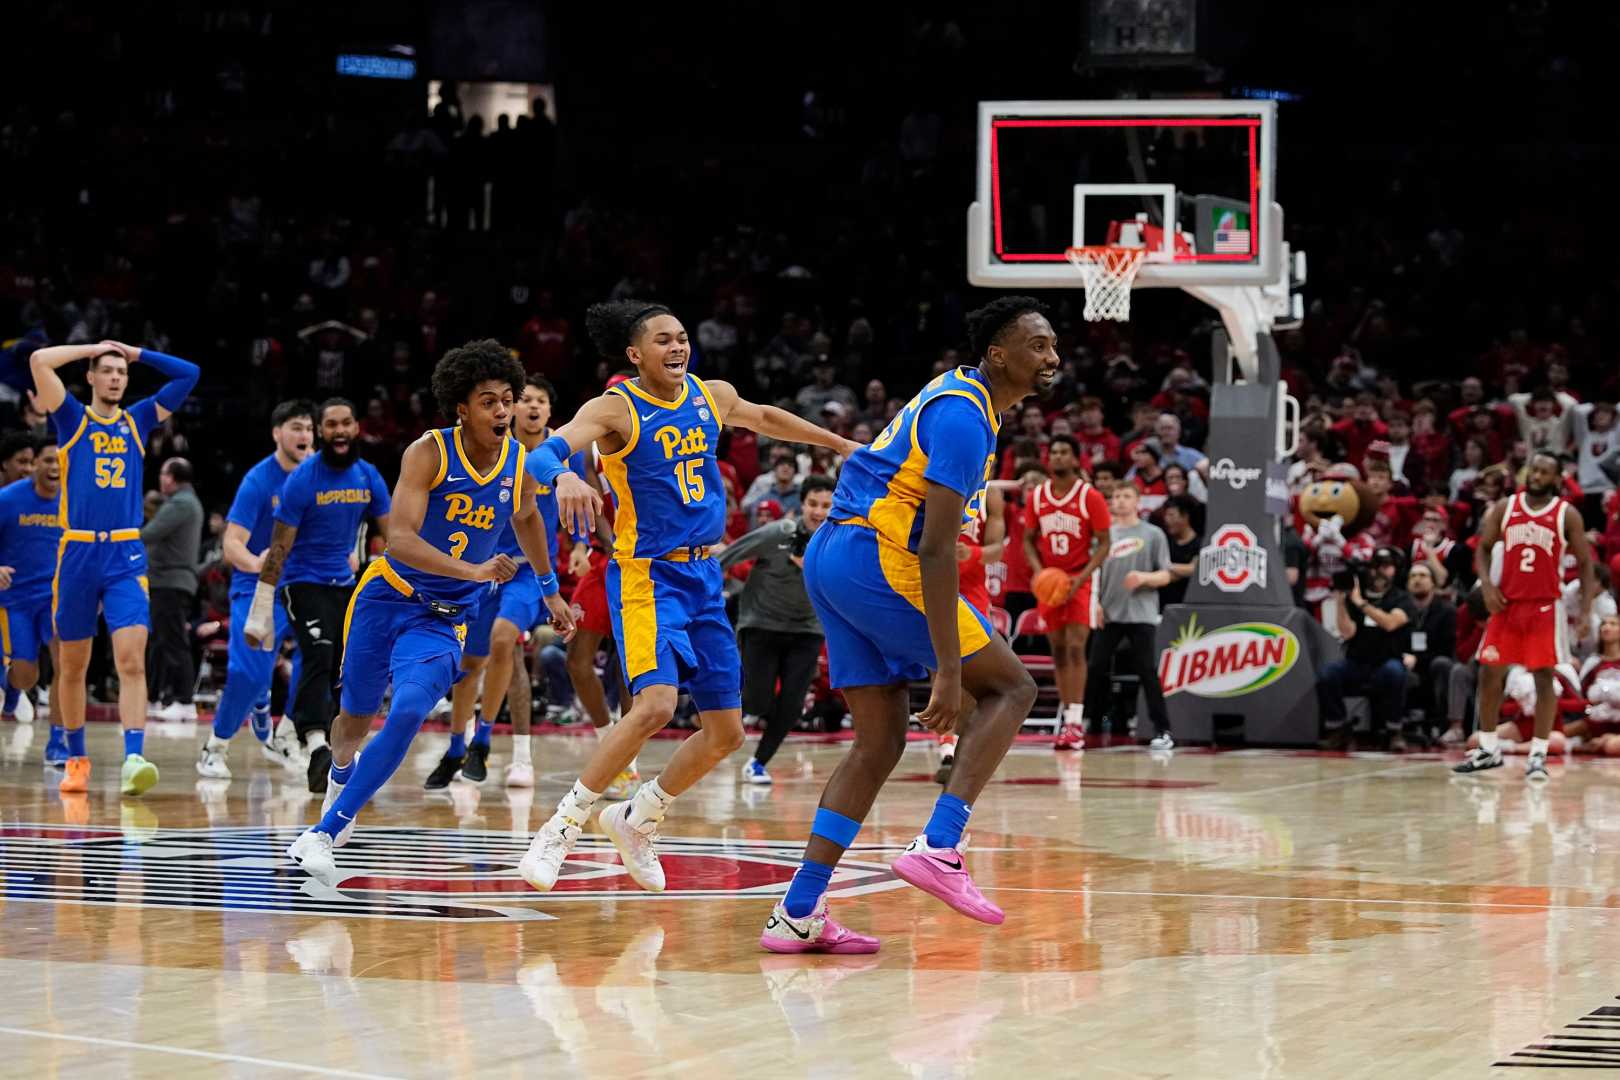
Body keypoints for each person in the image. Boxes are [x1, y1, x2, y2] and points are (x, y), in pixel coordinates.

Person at [518, 300, 858, 895]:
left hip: (704, 575)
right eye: (662, 341)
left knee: (726, 732)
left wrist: (839, 444)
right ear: (634, 354)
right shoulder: (614, 408)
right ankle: (561, 827)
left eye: (682, 338)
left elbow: (767, 417)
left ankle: (638, 817)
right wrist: (566, 474)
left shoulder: (711, 393)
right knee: (653, 705)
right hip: (648, 576)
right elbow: (547, 450)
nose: (677, 348)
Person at [758, 297, 1049, 954]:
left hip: (835, 556)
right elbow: (936, 551)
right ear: (998, 353)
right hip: (874, 559)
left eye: (1053, 345)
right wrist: (947, 673)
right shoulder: (965, 417)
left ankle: (798, 910)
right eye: (1037, 344)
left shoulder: (959, 400)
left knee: (880, 741)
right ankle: (941, 846)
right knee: (1012, 688)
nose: (1052, 356)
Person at [284, 340, 575, 882]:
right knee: (355, 716)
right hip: (386, 595)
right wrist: (474, 570)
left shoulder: (520, 461)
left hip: (443, 617)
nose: (503, 411)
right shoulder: (429, 452)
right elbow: (398, 540)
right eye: (488, 401)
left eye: (507, 399)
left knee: (411, 710)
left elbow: (528, 518)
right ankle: (342, 775)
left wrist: (551, 589)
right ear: (461, 409)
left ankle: (326, 832)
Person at [30, 340, 199, 796]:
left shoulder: (138, 419)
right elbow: (39, 361)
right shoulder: (70, 417)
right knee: (71, 665)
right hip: (78, 553)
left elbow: (189, 374)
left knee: (131, 659)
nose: (116, 378)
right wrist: (95, 346)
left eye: (121, 372)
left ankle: (134, 759)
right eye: (106, 370)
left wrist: (135, 352)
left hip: (124, 554)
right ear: (90, 377)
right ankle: (76, 758)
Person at [243, 398, 391, 792]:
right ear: (321, 432)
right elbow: (278, 548)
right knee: (319, 651)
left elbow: (393, 535)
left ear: (356, 428)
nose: (339, 431)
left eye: (346, 423)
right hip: (300, 582)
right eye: (331, 425)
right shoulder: (302, 480)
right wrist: (260, 608)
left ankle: (305, 731)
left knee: (343, 664)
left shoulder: (368, 476)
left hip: (346, 584)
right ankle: (313, 744)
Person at [425, 373, 564, 789]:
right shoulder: (498, 453)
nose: (532, 407)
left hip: (526, 572)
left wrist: (579, 546)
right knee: (470, 665)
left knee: (505, 639)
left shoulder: (556, 454)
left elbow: (571, 501)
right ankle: (455, 746)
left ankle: (484, 739)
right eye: (526, 400)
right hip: (483, 569)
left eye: (541, 400)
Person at [1454, 452, 1598, 781]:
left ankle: (1538, 754)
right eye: (1534, 469)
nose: (1536, 476)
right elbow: (1483, 547)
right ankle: (1488, 749)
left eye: (1544, 472)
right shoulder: (1506, 508)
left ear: (1557, 478)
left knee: (1543, 677)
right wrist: (1488, 586)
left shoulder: (1566, 514)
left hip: (1545, 606)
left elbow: (1587, 564)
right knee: (1490, 672)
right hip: (1507, 605)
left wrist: (1586, 609)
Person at [195, 399, 315, 780]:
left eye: (309, 429)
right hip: (257, 587)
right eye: (296, 427)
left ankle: (287, 734)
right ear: (277, 433)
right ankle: (215, 746)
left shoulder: (321, 475)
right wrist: (256, 563)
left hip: (305, 584)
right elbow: (232, 543)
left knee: (322, 662)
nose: (305, 435)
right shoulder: (258, 481)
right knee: (248, 674)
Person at [720, 475, 835, 785]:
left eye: (826, 505)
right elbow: (727, 556)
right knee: (757, 702)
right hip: (762, 623)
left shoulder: (839, 539)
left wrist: (812, 565)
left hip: (807, 629)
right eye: (813, 504)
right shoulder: (780, 531)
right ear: (802, 504)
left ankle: (758, 762)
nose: (819, 512)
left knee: (794, 703)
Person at [1021, 434, 1110, 750]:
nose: (1057, 457)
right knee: (1058, 651)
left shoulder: (1090, 497)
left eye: (1063, 452)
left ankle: (1075, 722)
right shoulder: (1037, 497)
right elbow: (1028, 540)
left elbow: (1105, 543)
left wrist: (1080, 578)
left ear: (1075, 459)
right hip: (1051, 582)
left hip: (1081, 579)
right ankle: (1066, 723)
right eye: (1053, 452)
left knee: (1075, 647)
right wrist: (1039, 571)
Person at [1083, 484, 1176, 752]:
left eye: (1126, 496)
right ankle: (1091, 722)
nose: (1120, 501)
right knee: (1096, 666)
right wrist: (1095, 603)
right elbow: (1092, 573)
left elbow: (1166, 574)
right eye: (1116, 496)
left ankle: (1163, 729)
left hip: (1141, 614)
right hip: (1108, 613)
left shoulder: (1153, 534)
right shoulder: (1103, 535)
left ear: (1137, 501)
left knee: (1147, 670)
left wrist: (1144, 578)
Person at [1319, 547, 1419, 751]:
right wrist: (1341, 601)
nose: (1380, 571)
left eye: (1387, 567)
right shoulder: (1356, 596)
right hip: (1357, 661)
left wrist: (1361, 604)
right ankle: (1337, 727)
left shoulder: (1401, 598)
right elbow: (1347, 632)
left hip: (1387, 661)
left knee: (1394, 672)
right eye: (1376, 566)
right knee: (1328, 673)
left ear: (1396, 570)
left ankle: (1394, 730)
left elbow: (1391, 623)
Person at [0, 436, 60, 742]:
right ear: (34, 465)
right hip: (17, 600)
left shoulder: (74, 501)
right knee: (25, 674)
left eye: (60, 459)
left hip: (56, 599)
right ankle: (12, 687)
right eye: (48, 460)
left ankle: (60, 743)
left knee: (66, 664)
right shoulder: (8, 500)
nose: (54, 466)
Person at [142, 457, 204, 720]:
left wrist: (120, 537)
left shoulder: (181, 503)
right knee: (161, 642)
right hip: (169, 581)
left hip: (171, 582)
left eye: (163, 474)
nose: (160, 479)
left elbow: (148, 533)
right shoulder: (186, 502)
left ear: (170, 478)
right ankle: (155, 696)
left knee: (174, 641)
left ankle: (184, 699)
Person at [1404, 562, 1457, 732]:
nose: (1417, 580)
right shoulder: (1400, 609)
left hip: (1434, 663)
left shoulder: (1446, 610)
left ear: (1433, 582)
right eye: (1412, 576)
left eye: (1422, 575)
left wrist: (1418, 659)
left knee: (1441, 664)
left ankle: (1441, 724)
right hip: (1406, 662)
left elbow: (1446, 648)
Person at [1158, 494, 1201, 609]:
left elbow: (1194, 569)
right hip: (1162, 605)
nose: (1167, 520)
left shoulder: (1200, 543)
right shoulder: (1164, 540)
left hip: (1187, 604)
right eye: (1165, 515)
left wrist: (1166, 566)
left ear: (1185, 517)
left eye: (1171, 515)